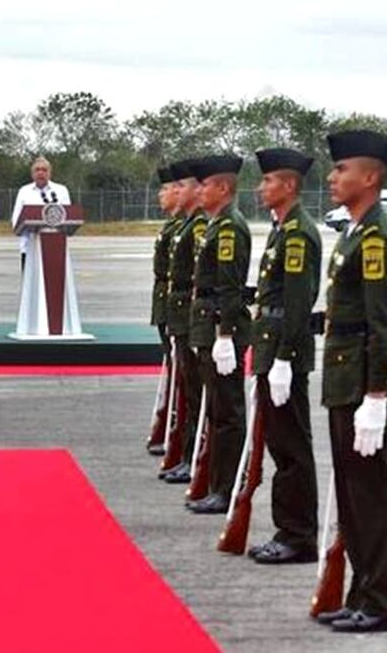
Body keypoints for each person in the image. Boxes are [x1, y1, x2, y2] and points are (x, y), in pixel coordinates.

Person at [313, 130, 387, 632]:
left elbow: (382, 323)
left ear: (369, 177)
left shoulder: (376, 239)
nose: (332, 177)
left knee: (373, 495)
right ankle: (361, 590)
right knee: (353, 493)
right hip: (344, 379)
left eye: (341, 169)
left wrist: (377, 394)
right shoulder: (355, 231)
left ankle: (379, 598)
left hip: (362, 384)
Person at [244, 148, 322, 564]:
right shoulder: (282, 229)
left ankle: (297, 535)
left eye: (268, 180)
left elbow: (296, 301)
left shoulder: (297, 233)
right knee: (281, 444)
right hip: (272, 345)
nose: (261, 187)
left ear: (289, 185)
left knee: (291, 447)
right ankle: (289, 530)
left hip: (283, 350)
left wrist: (285, 358)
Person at [185, 154, 251, 514]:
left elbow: (229, 287)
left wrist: (225, 334)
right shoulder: (216, 225)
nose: (200, 191)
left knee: (227, 413)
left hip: (220, 329)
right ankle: (216, 484)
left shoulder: (229, 228)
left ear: (223, 188)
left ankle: (227, 488)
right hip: (208, 326)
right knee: (216, 410)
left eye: (206, 185)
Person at [160, 159, 208, 484]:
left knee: (196, 391)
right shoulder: (186, 225)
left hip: (191, 314)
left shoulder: (200, 226)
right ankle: (188, 454)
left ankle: (196, 457)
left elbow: (198, 276)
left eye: (180, 186)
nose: (173, 192)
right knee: (187, 388)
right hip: (179, 309)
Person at [146, 166, 182, 454]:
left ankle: (178, 432)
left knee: (182, 375)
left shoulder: (187, 227)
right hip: (167, 302)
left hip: (178, 307)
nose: (161, 194)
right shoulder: (174, 225)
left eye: (166, 188)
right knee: (174, 367)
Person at [11, 157, 71, 270]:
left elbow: (68, 218)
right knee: (30, 281)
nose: (40, 173)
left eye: (44, 170)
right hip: (29, 248)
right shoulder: (24, 191)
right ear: (32, 174)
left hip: (55, 247)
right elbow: (16, 220)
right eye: (37, 170)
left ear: (50, 173)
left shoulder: (61, 190)